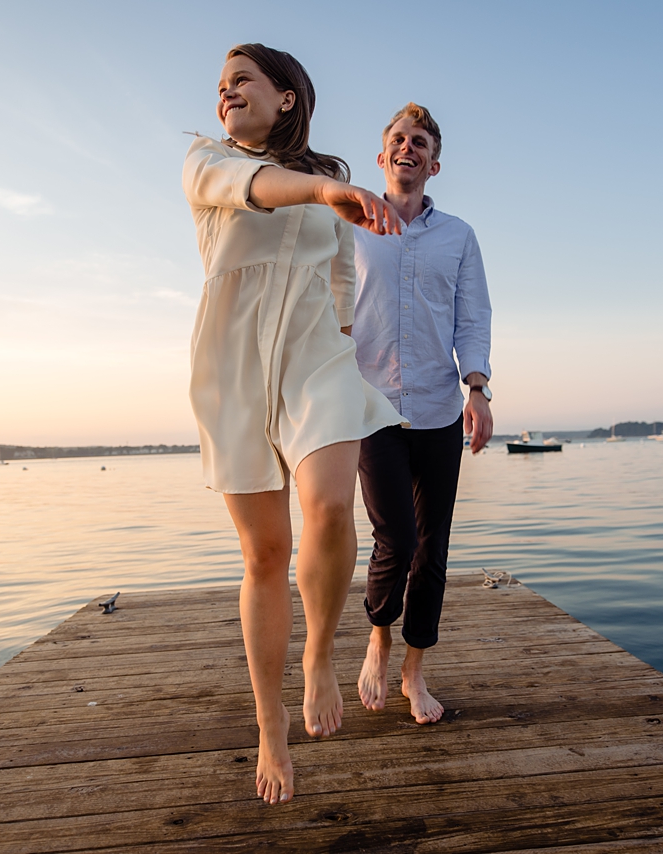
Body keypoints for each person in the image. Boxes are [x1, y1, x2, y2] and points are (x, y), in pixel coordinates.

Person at [181, 44, 406, 805]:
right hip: (235, 366)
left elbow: (341, 273)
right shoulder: (207, 162)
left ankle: (319, 655)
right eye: (220, 86)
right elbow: (259, 188)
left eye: (240, 80)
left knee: (332, 505)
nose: (225, 94)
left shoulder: (329, 185)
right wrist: (320, 190)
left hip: (317, 357)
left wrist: (341, 335)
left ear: (286, 97)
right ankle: (269, 721)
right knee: (265, 553)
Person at [351, 103, 493, 725]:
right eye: (398, 140)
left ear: (434, 163)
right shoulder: (349, 225)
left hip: (438, 405)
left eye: (420, 142)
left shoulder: (459, 236)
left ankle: (415, 668)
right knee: (396, 538)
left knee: (432, 547)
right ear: (383, 158)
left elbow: (473, 316)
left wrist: (478, 388)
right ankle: (378, 634)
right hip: (369, 404)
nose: (408, 148)